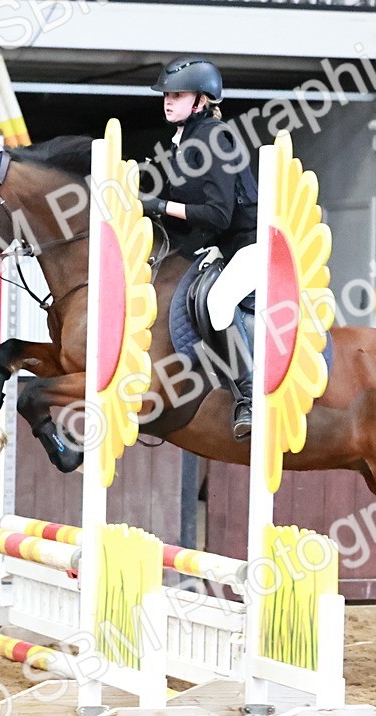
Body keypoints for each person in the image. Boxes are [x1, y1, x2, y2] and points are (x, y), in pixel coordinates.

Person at [142, 56, 260, 441]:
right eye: (166, 94)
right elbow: (187, 218)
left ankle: (248, 397)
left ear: (201, 101)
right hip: (225, 247)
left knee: (218, 301)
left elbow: (217, 215)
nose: (167, 100)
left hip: (255, 244)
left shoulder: (213, 137)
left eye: (177, 94)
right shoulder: (185, 141)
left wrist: (157, 205)